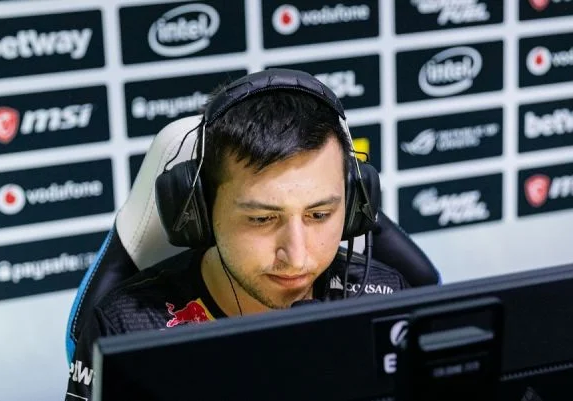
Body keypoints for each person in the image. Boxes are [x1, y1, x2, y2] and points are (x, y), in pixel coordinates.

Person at [64, 71, 412, 400]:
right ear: (201, 210)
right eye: (261, 219)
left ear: (353, 205)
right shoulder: (125, 328)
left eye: (319, 215)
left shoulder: (386, 300)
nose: (297, 257)